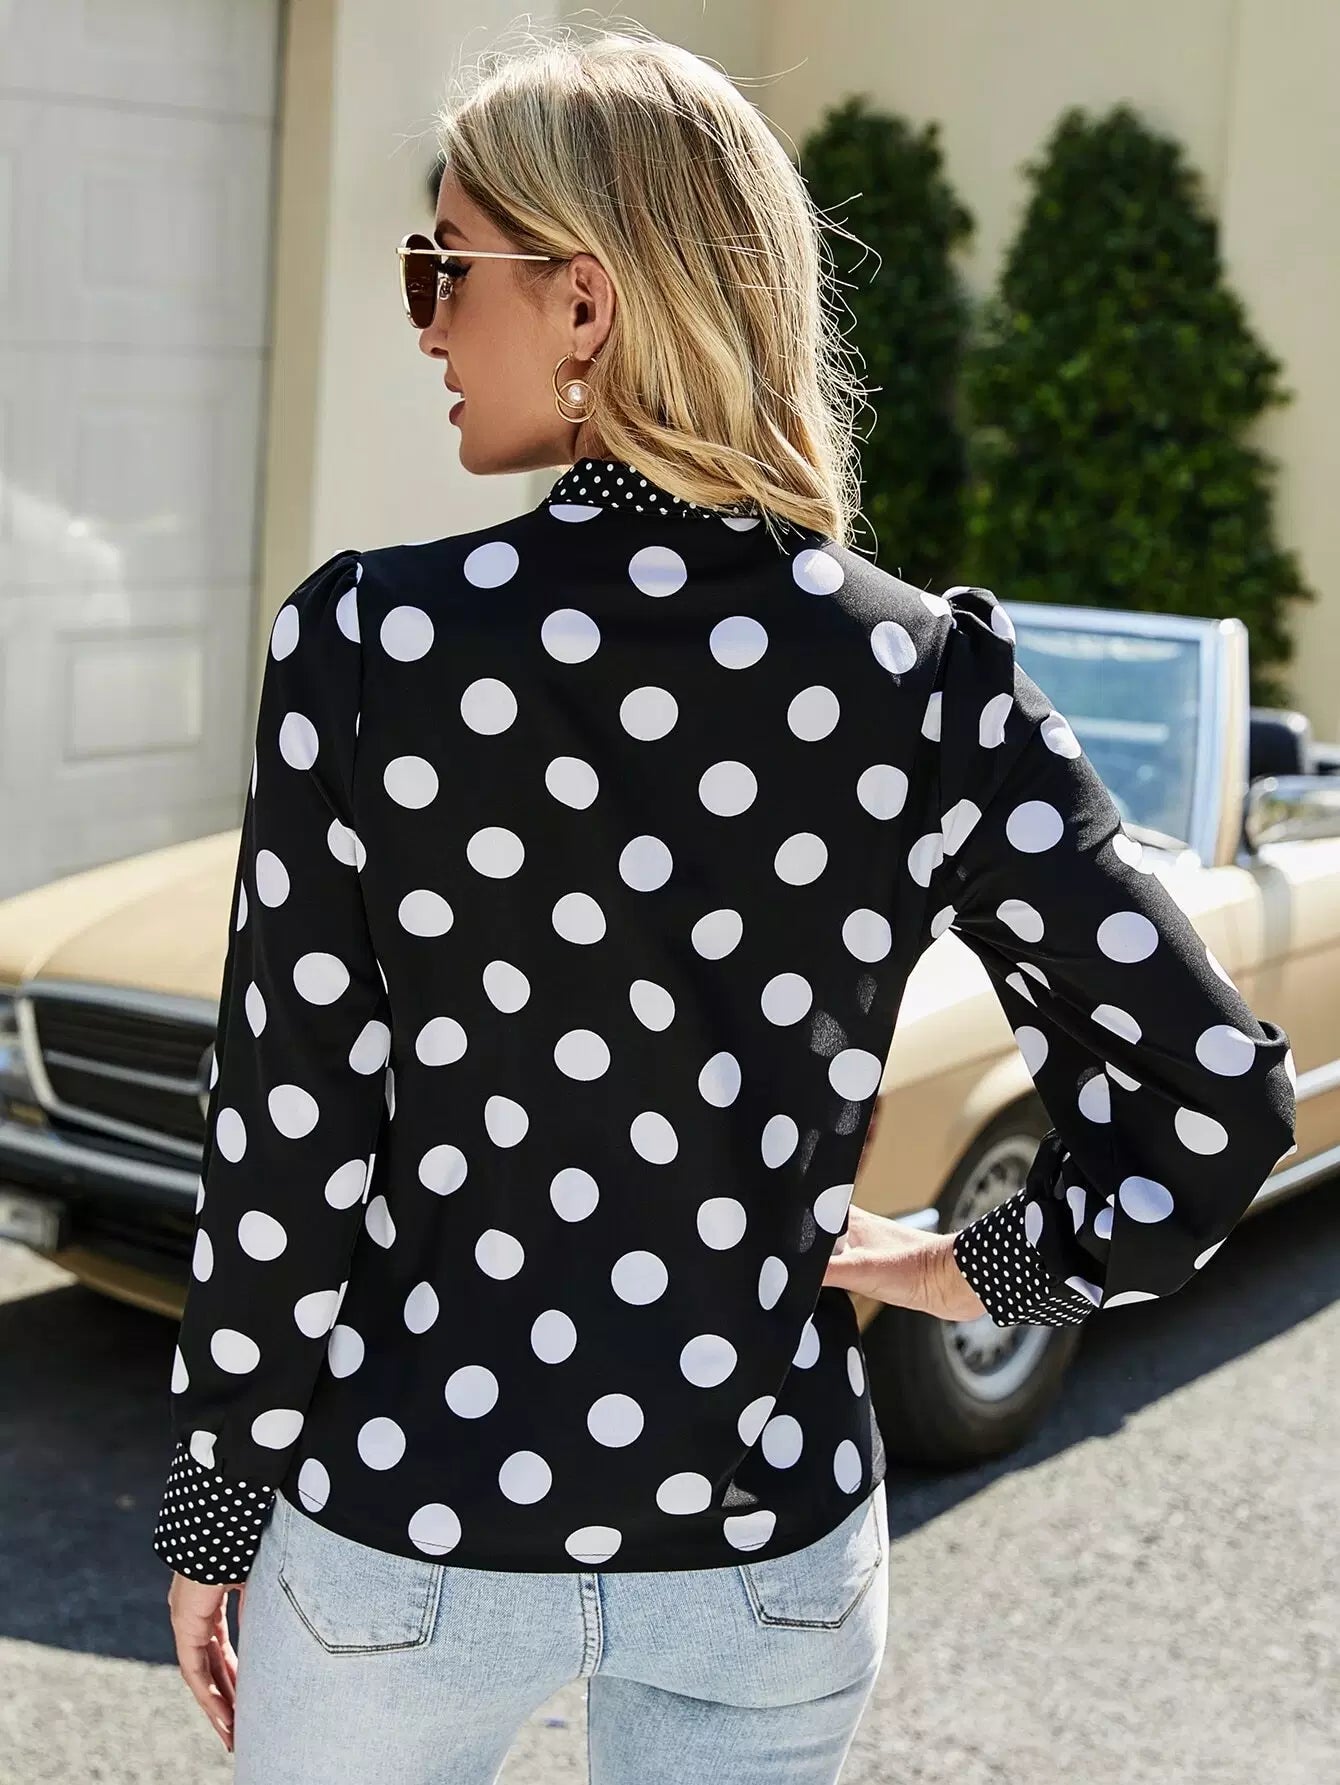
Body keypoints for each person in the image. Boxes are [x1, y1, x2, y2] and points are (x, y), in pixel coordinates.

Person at [152, 24, 1297, 1783]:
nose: (428, 324)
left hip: (406, 1521)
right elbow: (1211, 1103)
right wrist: (964, 1266)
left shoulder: (369, 646)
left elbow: (289, 1131)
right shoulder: (924, 676)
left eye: (445, 267)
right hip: (765, 1543)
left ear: (585, 301)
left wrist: (219, 1499)